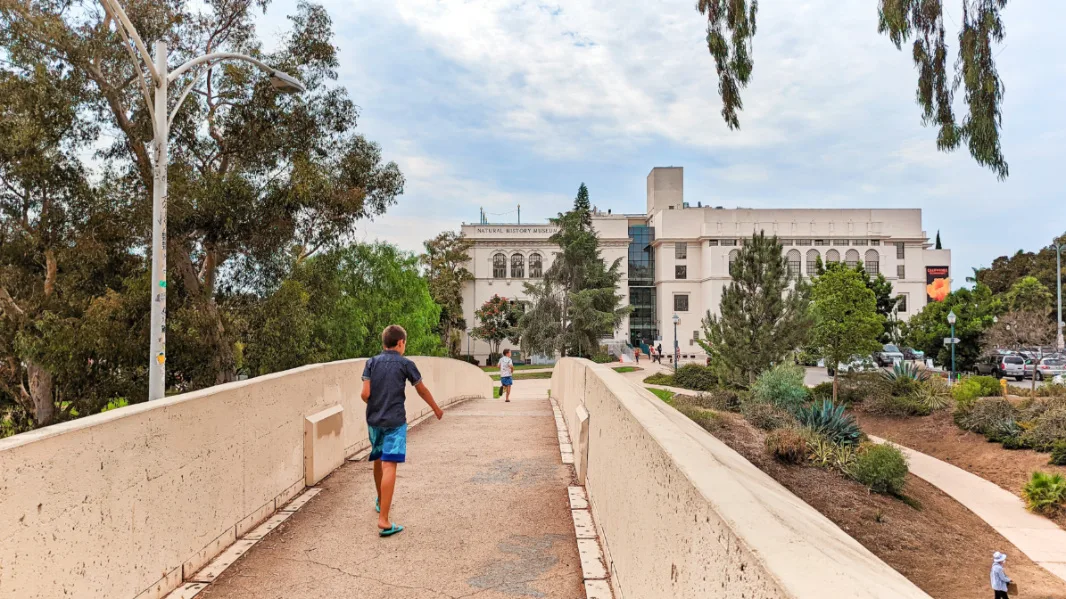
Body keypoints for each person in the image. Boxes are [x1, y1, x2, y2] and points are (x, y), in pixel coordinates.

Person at [361, 325, 444, 537]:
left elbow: (365, 394)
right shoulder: (406, 364)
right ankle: (384, 521)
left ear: (384, 343)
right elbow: (421, 389)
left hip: (374, 420)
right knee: (390, 465)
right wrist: (436, 408)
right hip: (395, 422)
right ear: (400, 343)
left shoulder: (371, 362)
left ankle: (380, 500)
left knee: (379, 459)